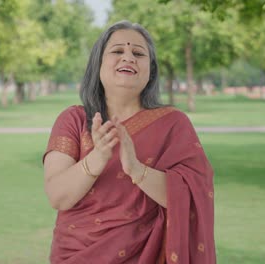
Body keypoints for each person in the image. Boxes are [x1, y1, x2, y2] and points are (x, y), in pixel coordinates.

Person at [43, 20, 216, 264]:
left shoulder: (173, 124)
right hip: (76, 254)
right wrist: (98, 157)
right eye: (117, 51)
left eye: (138, 53)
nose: (128, 58)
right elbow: (58, 196)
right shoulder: (74, 120)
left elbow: (189, 198)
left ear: (151, 70)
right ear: (98, 64)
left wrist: (136, 169)